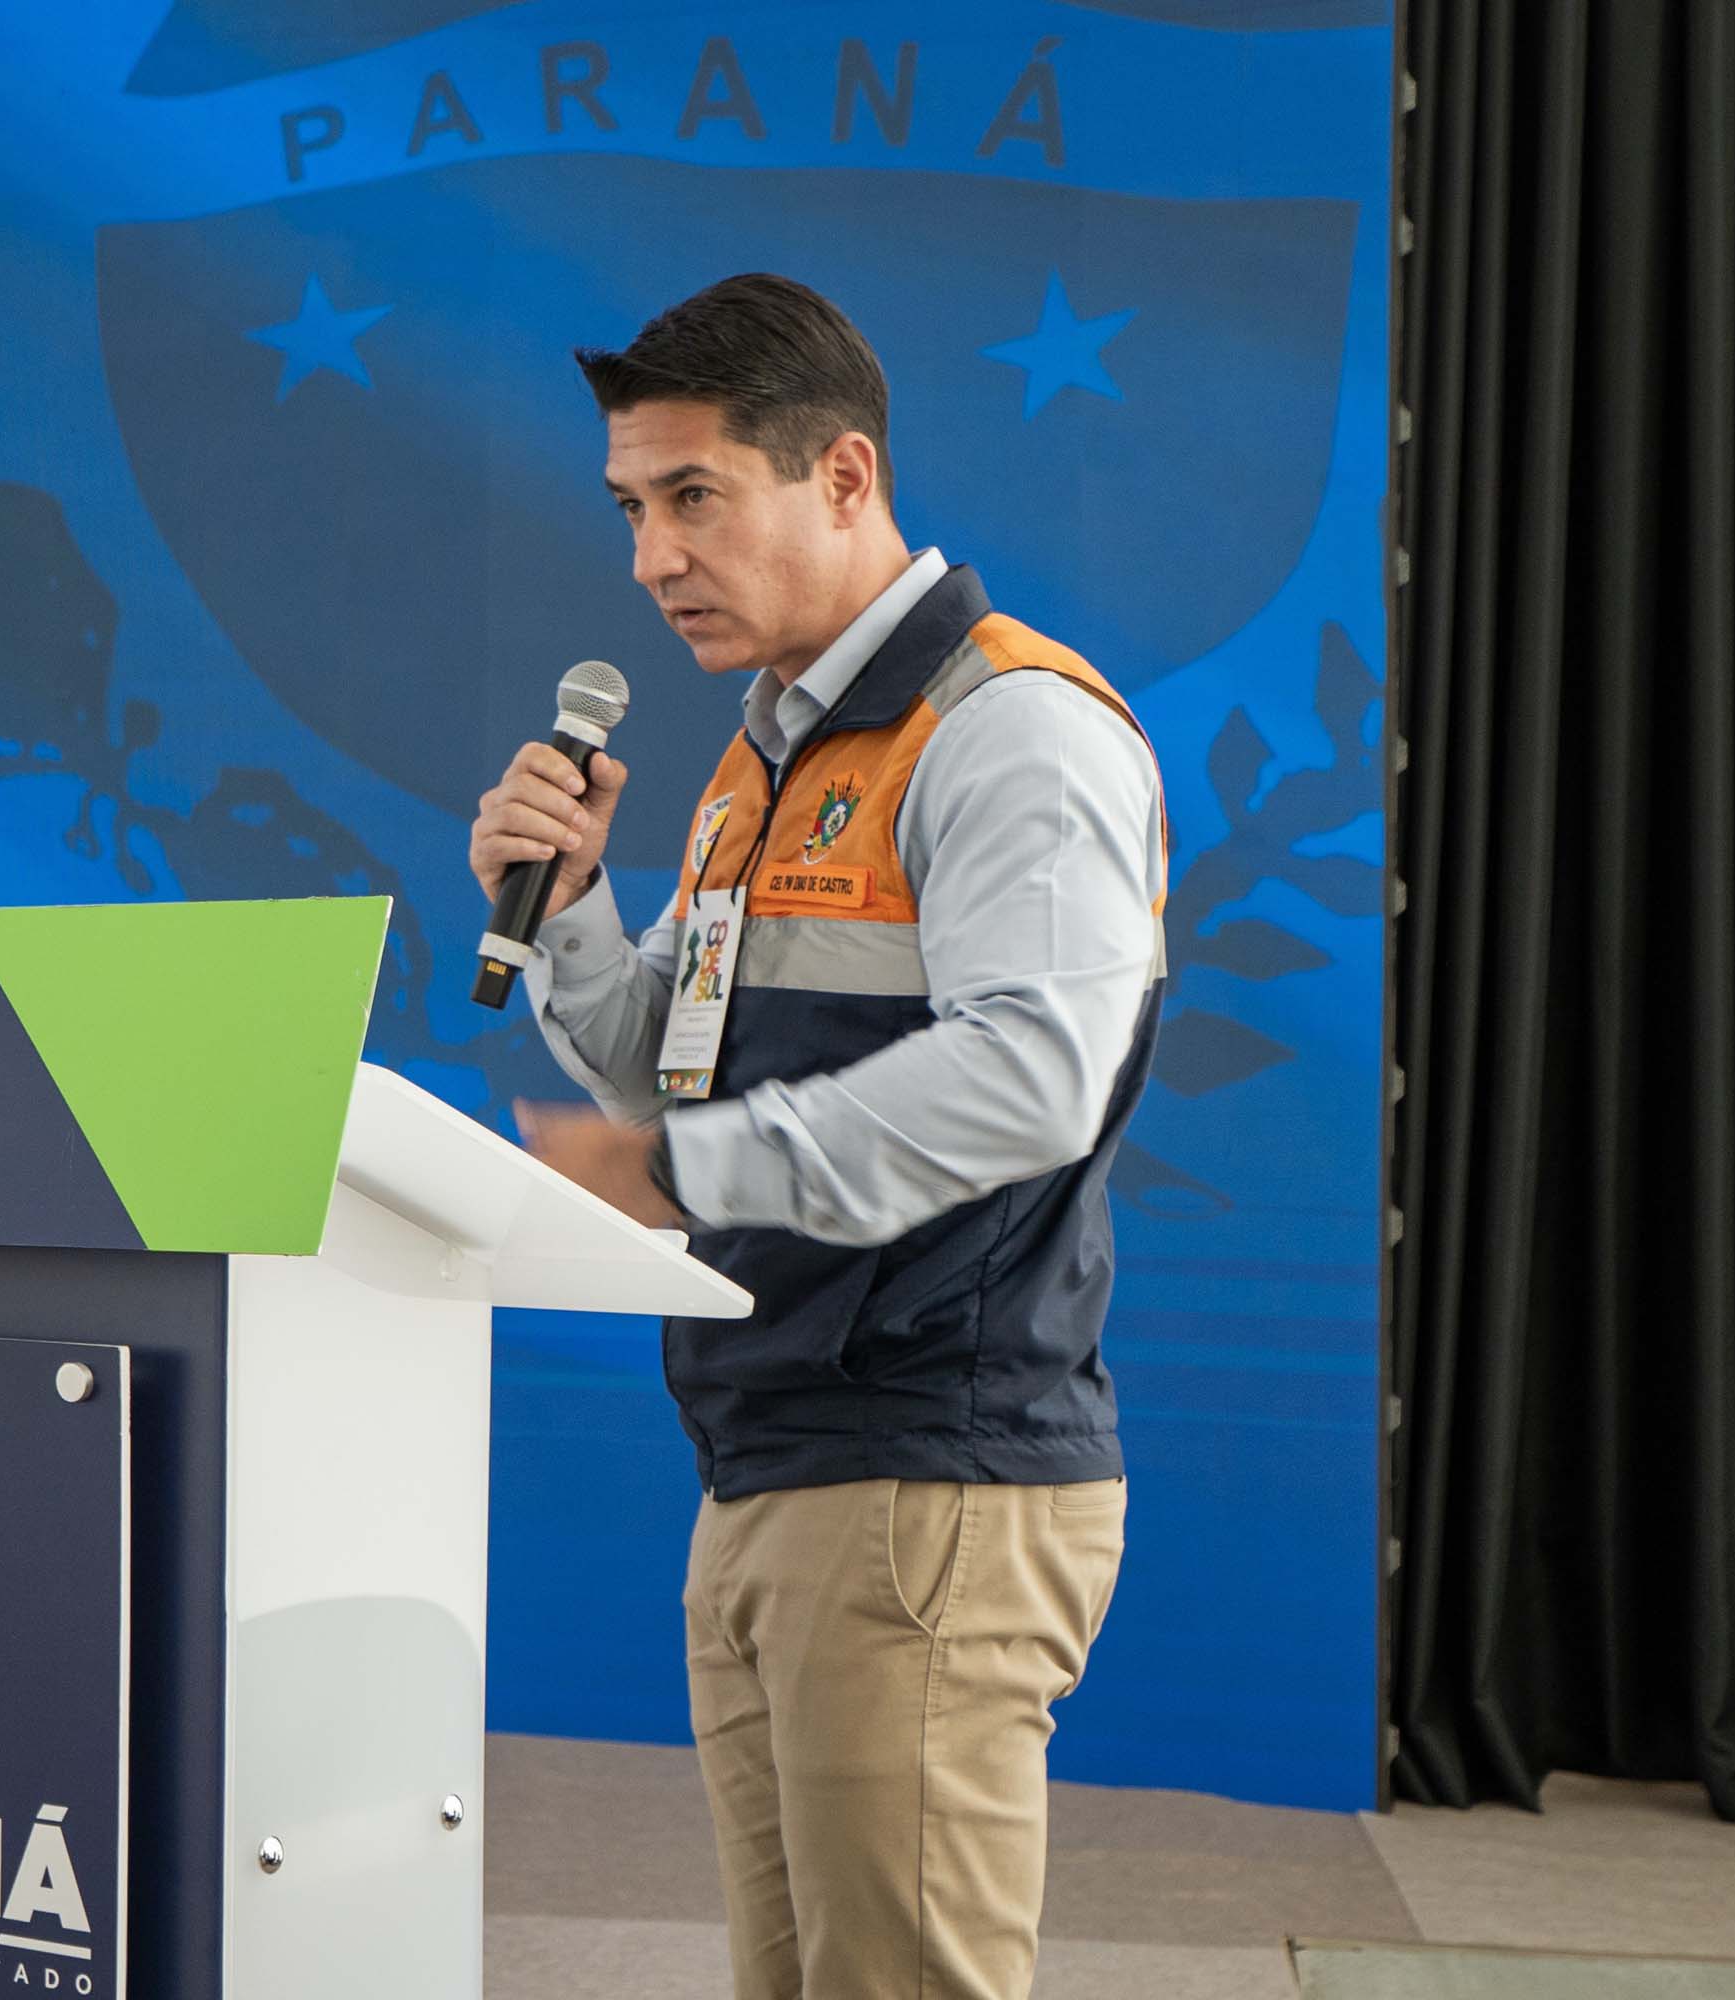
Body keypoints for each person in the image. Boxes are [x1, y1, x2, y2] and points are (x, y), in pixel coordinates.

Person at [476, 273, 1166, 2000]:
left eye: (694, 497)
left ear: (844, 477)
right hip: (771, 1463)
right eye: (632, 509)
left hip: (927, 1472)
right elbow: (668, 1077)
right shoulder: (757, 762)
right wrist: (571, 909)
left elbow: (1033, 1076)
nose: (653, 558)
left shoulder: (1012, 731)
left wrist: (674, 1176)